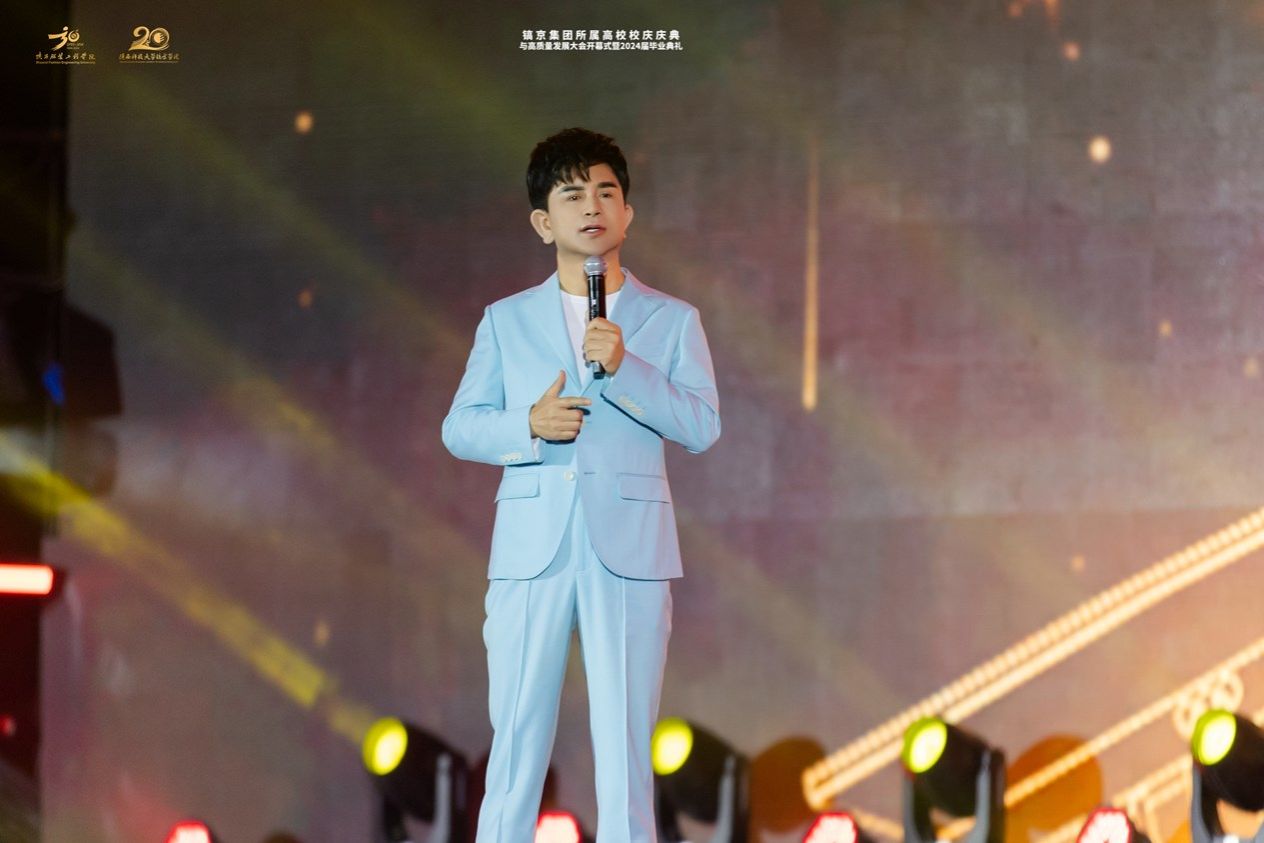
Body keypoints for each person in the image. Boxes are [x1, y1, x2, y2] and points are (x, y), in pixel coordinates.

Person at [442, 126, 721, 843]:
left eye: (605, 191)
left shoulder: (671, 320)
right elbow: (461, 427)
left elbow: (701, 424)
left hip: (629, 548)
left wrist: (628, 368)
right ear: (544, 223)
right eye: (572, 195)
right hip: (532, 545)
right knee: (516, 742)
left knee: (626, 749)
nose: (591, 206)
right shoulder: (506, 320)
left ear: (628, 212)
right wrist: (528, 424)